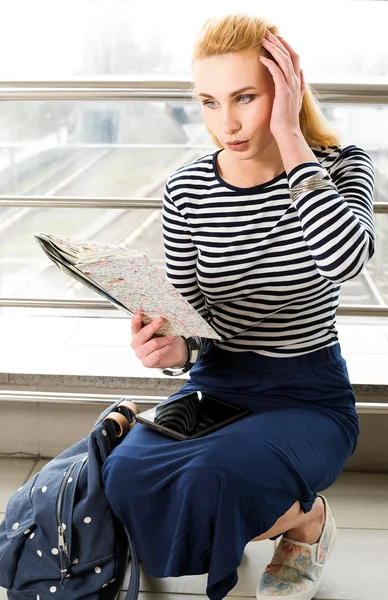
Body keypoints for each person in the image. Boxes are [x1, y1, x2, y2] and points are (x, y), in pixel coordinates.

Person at [102, 12, 375, 600]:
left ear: (284, 91)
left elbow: (347, 260)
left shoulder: (339, 166)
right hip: (214, 387)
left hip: (307, 392)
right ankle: (258, 513)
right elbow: (192, 321)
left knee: (214, 480)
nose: (225, 122)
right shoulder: (188, 189)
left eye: (246, 97)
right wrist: (172, 347)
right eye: (208, 102)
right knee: (123, 480)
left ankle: (307, 521)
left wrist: (291, 137)